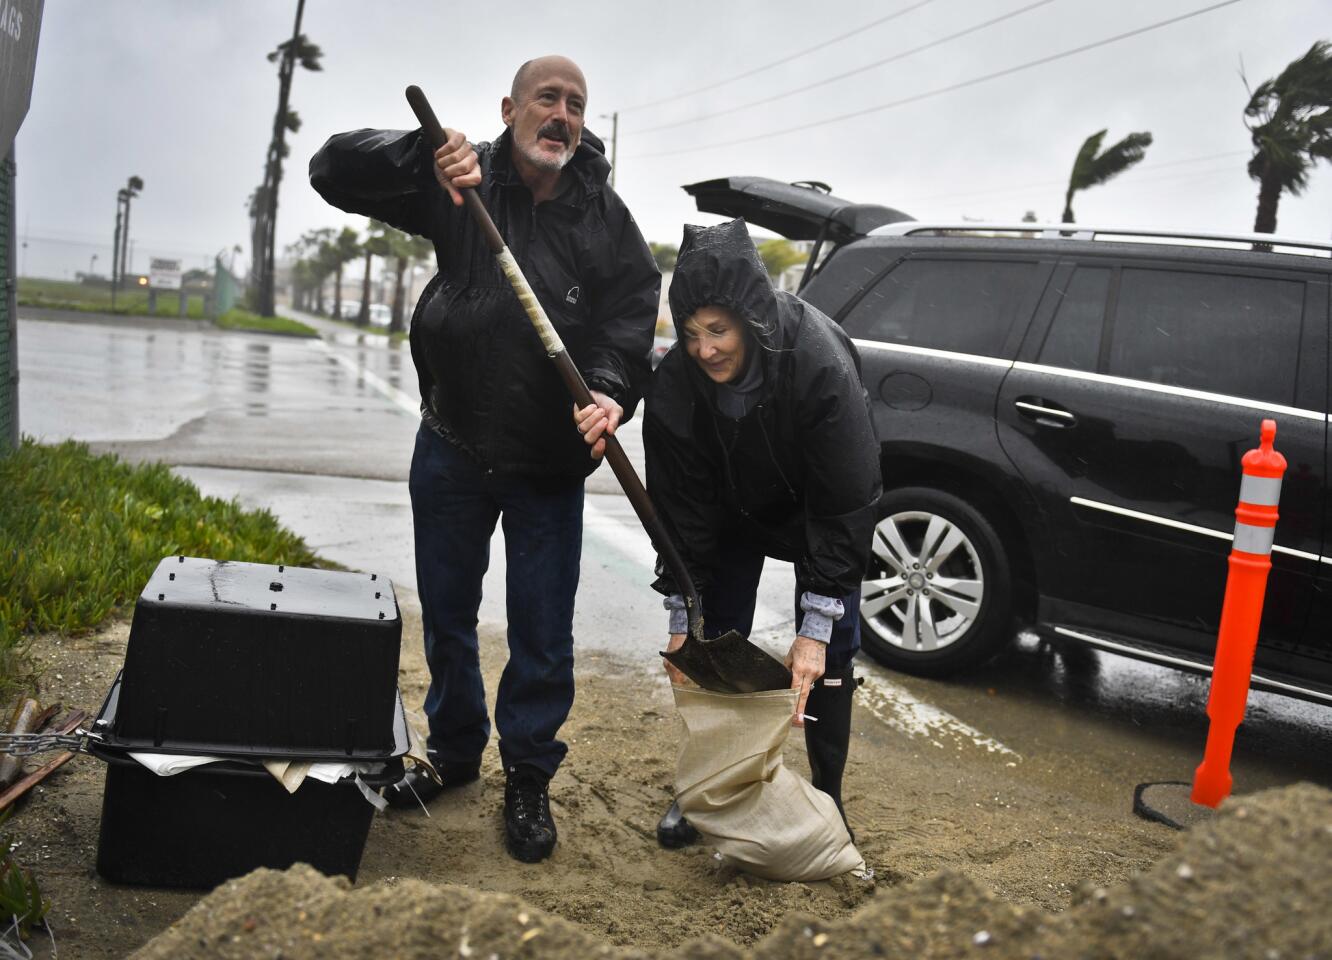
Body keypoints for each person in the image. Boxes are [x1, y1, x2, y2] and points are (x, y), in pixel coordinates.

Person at [310, 56, 660, 863]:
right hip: (453, 445)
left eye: (576, 104)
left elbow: (631, 318)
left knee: (542, 633)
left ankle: (529, 776)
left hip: (548, 464)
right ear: (510, 109)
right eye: (548, 99)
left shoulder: (603, 214)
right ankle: (457, 754)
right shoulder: (459, 179)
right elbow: (329, 167)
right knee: (450, 613)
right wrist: (422, 152)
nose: (562, 115)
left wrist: (609, 389)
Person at [575, 217, 881, 847]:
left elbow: (844, 500)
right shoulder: (676, 386)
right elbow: (682, 510)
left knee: (828, 659)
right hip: (731, 511)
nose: (705, 349)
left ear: (752, 320)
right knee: (713, 637)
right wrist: (683, 615)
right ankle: (710, 789)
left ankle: (829, 796)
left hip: (813, 508)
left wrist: (814, 629)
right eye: (690, 334)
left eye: (718, 330)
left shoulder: (819, 365)